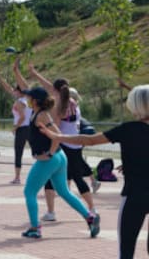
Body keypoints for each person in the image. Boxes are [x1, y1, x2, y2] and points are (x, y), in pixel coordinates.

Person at [41, 84, 148, 259]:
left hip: (136, 196)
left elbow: (89, 140)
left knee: (127, 249)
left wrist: (58, 136)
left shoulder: (129, 129)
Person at [15, 86, 99, 240]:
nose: (27, 99)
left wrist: (50, 153)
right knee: (64, 192)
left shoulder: (41, 116)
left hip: (50, 159)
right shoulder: (38, 113)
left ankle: (35, 228)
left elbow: (57, 134)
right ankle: (90, 217)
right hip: (59, 158)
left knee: (29, 192)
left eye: (29, 97)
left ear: (35, 101)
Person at [0, 67, 31, 185]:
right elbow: (8, 88)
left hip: (22, 128)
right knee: (36, 152)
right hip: (30, 128)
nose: (13, 91)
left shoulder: (20, 102)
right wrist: (0, 78)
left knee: (18, 152)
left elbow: (22, 117)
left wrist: (15, 127)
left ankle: (17, 177)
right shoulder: (28, 100)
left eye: (16, 90)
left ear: (20, 91)